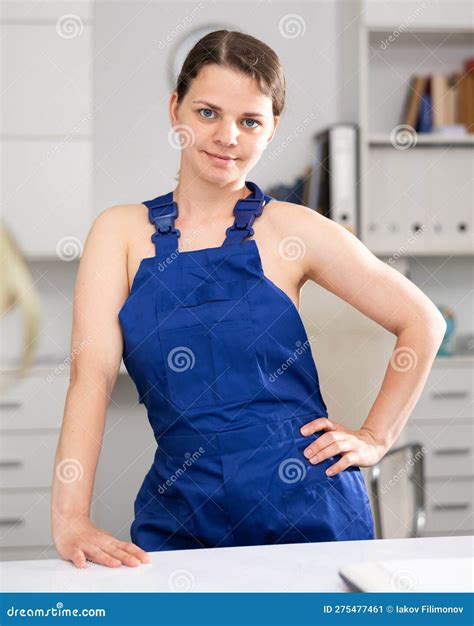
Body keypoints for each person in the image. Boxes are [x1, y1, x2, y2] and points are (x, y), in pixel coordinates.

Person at [52, 30, 446, 568]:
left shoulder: (294, 230)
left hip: (311, 512)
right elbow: (90, 378)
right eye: (208, 112)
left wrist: (376, 437)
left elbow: (423, 321)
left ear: (272, 129)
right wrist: (70, 518)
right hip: (181, 516)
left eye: (250, 121)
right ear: (176, 110)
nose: (227, 136)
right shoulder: (119, 233)